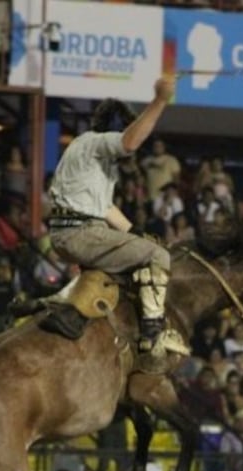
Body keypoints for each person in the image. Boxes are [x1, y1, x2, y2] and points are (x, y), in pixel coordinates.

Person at [44, 77, 186, 355]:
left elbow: (106, 208)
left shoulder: (86, 154)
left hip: (71, 231)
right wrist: (160, 101)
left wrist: (137, 234)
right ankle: (153, 332)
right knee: (159, 257)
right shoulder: (96, 142)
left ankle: (73, 311)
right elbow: (130, 142)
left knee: (144, 253)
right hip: (82, 232)